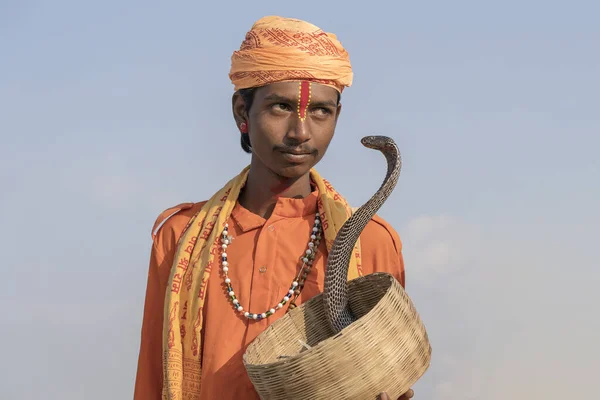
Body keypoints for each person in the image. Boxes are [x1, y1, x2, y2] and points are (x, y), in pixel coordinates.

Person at [134, 15, 414, 400]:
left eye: (321, 111)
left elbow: (388, 378)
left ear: (337, 117)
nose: (300, 132)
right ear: (241, 113)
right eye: (281, 107)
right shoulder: (180, 236)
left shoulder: (371, 242)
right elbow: (152, 380)